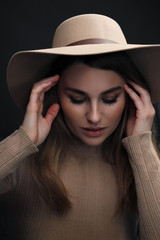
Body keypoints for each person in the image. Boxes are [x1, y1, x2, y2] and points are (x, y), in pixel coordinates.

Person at [1, 13, 160, 240]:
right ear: (54, 94)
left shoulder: (140, 165)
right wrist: (22, 141)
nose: (94, 117)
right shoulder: (20, 163)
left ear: (131, 98)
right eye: (77, 99)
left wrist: (142, 147)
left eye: (109, 99)